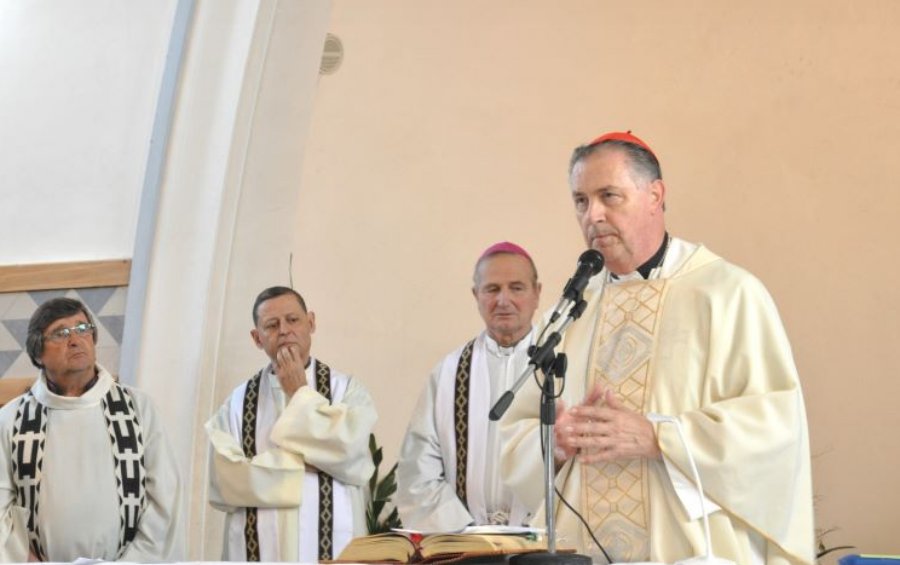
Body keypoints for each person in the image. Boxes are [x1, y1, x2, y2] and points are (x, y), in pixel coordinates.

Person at [500, 132, 815, 564]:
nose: (593, 215)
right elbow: (516, 431)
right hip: (583, 545)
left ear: (655, 195)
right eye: (580, 201)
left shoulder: (726, 293)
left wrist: (658, 436)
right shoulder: (571, 311)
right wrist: (555, 441)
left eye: (609, 196)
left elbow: (775, 428)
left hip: (687, 544)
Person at [0, 297, 183, 562]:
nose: (75, 339)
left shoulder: (138, 408)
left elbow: (164, 497)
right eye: (61, 333)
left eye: (83, 328)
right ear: (38, 353)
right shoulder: (11, 419)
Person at [206, 286, 377, 562]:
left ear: (311, 323)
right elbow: (224, 482)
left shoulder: (346, 391)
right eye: (272, 325)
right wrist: (310, 462)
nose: (284, 330)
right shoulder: (236, 404)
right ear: (257, 338)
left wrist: (299, 392)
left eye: (293, 320)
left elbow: (353, 457)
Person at [396, 242, 542, 532]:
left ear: (537, 293)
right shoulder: (449, 373)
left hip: (543, 541)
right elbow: (418, 471)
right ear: (475, 295)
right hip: (467, 544)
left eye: (516, 288)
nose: (503, 300)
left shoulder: (561, 365)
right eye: (492, 289)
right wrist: (466, 531)